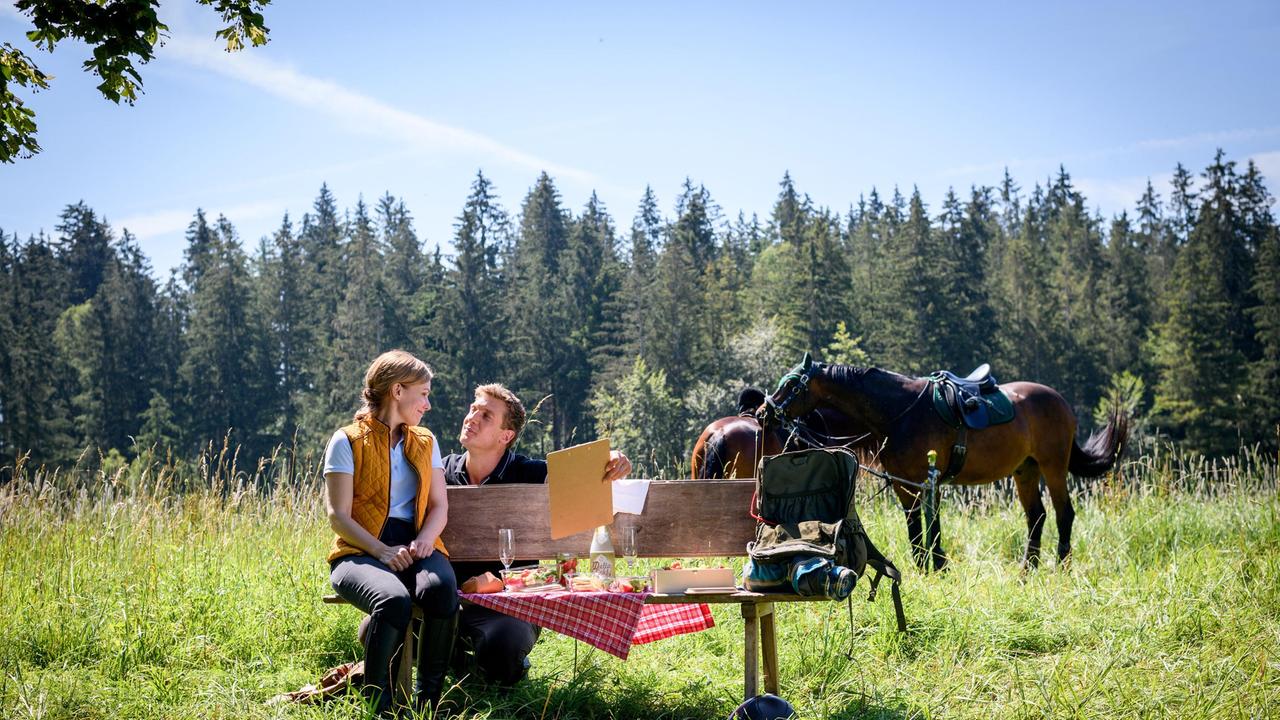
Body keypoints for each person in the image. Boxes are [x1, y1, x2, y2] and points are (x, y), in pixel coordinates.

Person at [444, 383, 631, 686]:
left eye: (486, 415)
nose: (472, 417)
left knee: (505, 641)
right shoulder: (440, 472)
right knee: (372, 629)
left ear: (507, 436)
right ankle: (462, 664)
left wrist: (613, 456)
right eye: (473, 408)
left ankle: (487, 666)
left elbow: (587, 473)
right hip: (450, 602)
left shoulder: (529, 473)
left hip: (513, 606)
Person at [323, 350, 457, 714]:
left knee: (442, 591)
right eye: (424, 393)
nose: (427, 404)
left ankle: (429, 703)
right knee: (393, 600)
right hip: (357, 552)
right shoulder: (347, 441)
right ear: (398, 391)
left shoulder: (425, 440)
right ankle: (378, 705)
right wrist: (381, 551)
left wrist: (427, 538)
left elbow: (438, 506)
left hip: (417, 546)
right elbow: (338, 516)